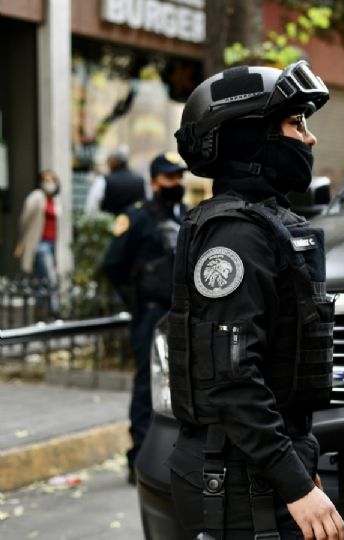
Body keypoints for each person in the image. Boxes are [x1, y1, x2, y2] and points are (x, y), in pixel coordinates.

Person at [167, 61, 343, 539]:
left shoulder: (264, 227)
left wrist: (298, 465)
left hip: (256, 463)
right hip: (235, 474)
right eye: (295, 123)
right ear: (251, 138)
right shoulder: (236, 239)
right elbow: (232, 382)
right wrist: (294, 483)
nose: (309, 140)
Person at [101, 152, 188, 484]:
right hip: (150, 313)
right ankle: (138, 459)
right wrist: (135, 300)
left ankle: (174, 457)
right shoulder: (136, 217)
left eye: (179, 177)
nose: (176, 184)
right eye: (169, 178)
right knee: (145, 388)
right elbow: (113, 265)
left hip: (178, 312)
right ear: (154, 182)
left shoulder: (187, 216)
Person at [14, 170, 62, 313]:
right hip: (40, 244)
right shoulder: (36, 197)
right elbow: (24, 220)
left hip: (52, 242)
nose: (49, 183)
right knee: (50, 277)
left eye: (52, 180)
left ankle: (39, 308)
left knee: (42, 278)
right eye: (46, 180)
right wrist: (25, 238)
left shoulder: (55, 200)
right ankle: (54, 310)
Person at [84, 147, 150, 215]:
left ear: (114, 161)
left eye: (109, 160)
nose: (108, 163)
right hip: (136, 224)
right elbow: (147, 204)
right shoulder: (141, 181)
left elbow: (91, 208)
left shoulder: (103, 181)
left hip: (110, 224)